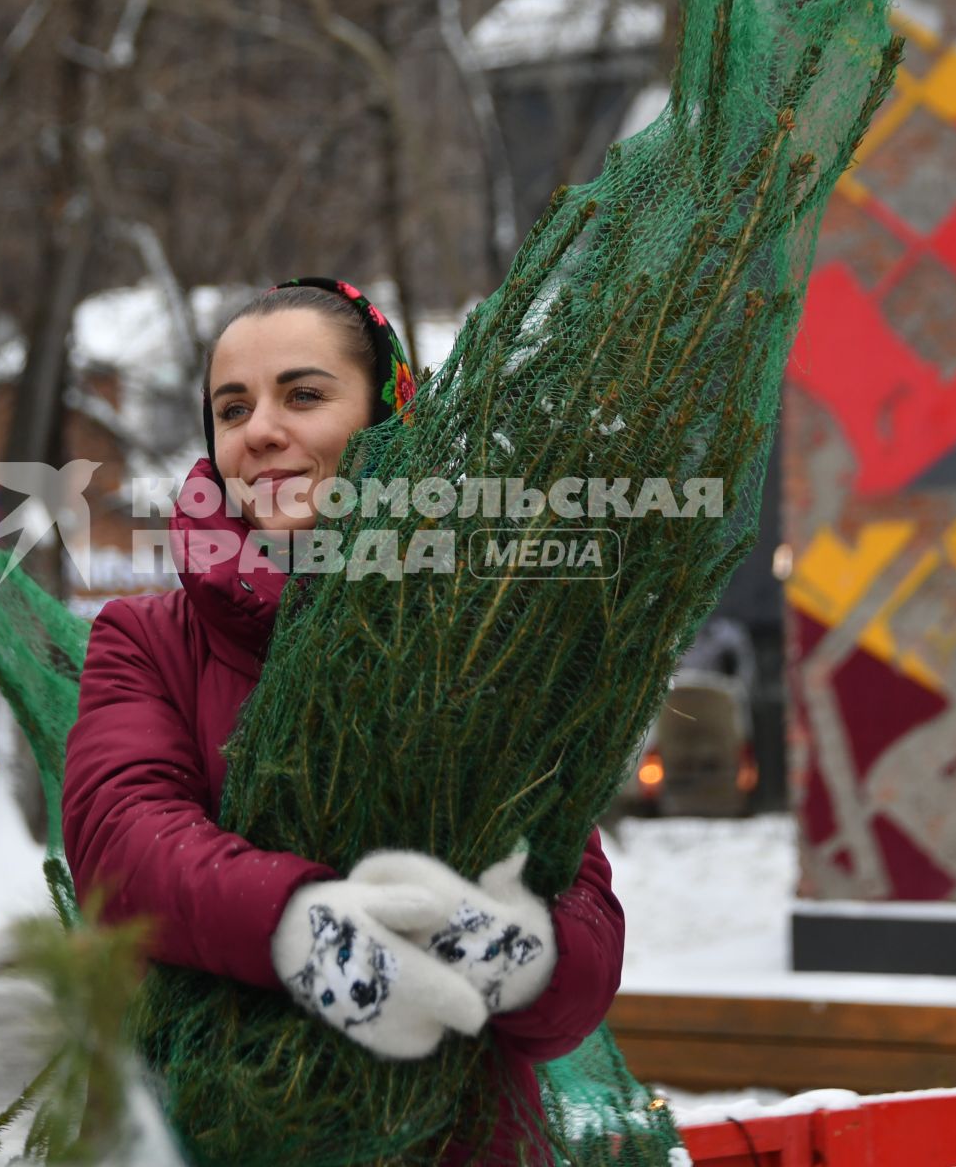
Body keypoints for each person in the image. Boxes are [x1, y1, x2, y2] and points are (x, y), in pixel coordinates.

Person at [61, 278, 624, 1163]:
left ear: (388, 417)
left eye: (305, 395)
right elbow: (120, 842)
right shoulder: (146, 643)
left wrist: (532, 957)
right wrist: (300, 927)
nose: (261, 432)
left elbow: (584, 905)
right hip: (223, 1134)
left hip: (463, 1141)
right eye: (232, 407)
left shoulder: (483, 636)